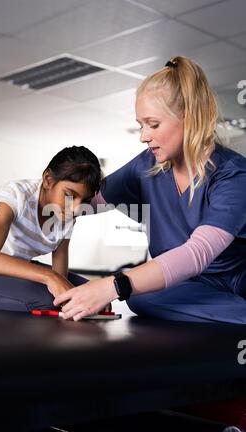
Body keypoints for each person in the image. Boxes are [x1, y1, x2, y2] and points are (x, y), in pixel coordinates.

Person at [54, 56, 246, 323]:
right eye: (141, 125)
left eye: (153, 124)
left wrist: (112, 286)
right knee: (141, 296)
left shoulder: (233, 175)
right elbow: (85, 202)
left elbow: (198, 253)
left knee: (131, 287)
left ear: (189, 118)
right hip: (191, 288)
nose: (144, 136)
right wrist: (24, 203)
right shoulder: (147, 166)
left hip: (238, 285)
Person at [0, 146, 102, 312]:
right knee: (46, 301)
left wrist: (65, 296)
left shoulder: (67, 215)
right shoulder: (15, 195)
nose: (75, 208)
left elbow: (60, 263)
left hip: (17, 265)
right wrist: (50, 278)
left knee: (94, 295)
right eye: (69, 195)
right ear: (48, 179)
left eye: (84, 200)